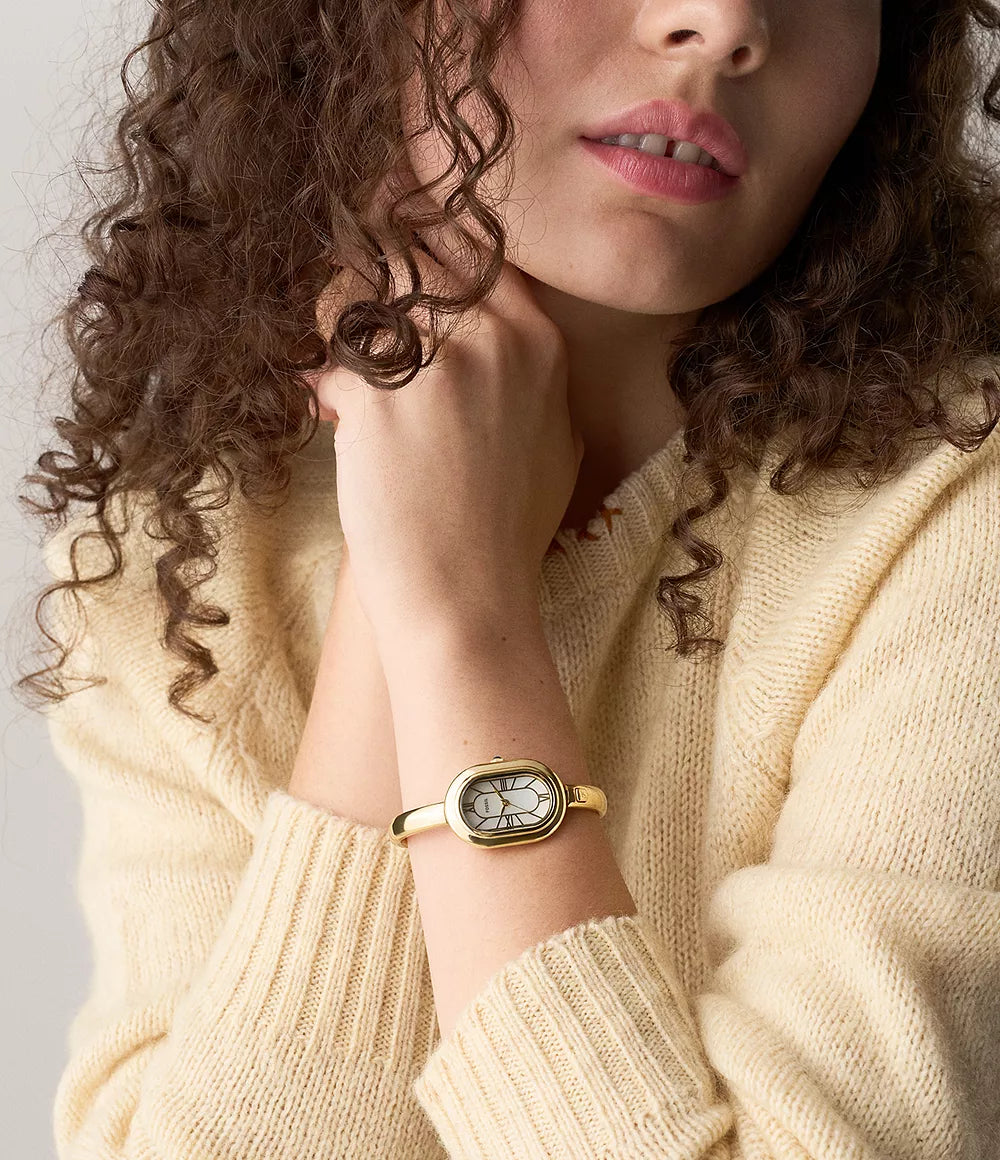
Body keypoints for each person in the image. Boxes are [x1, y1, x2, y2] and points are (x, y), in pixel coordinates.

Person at [15, 0, 1000, 1156]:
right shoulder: (182, 554)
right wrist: (411, 548)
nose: (725, 20)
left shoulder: (957, 507)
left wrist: (459, 623)